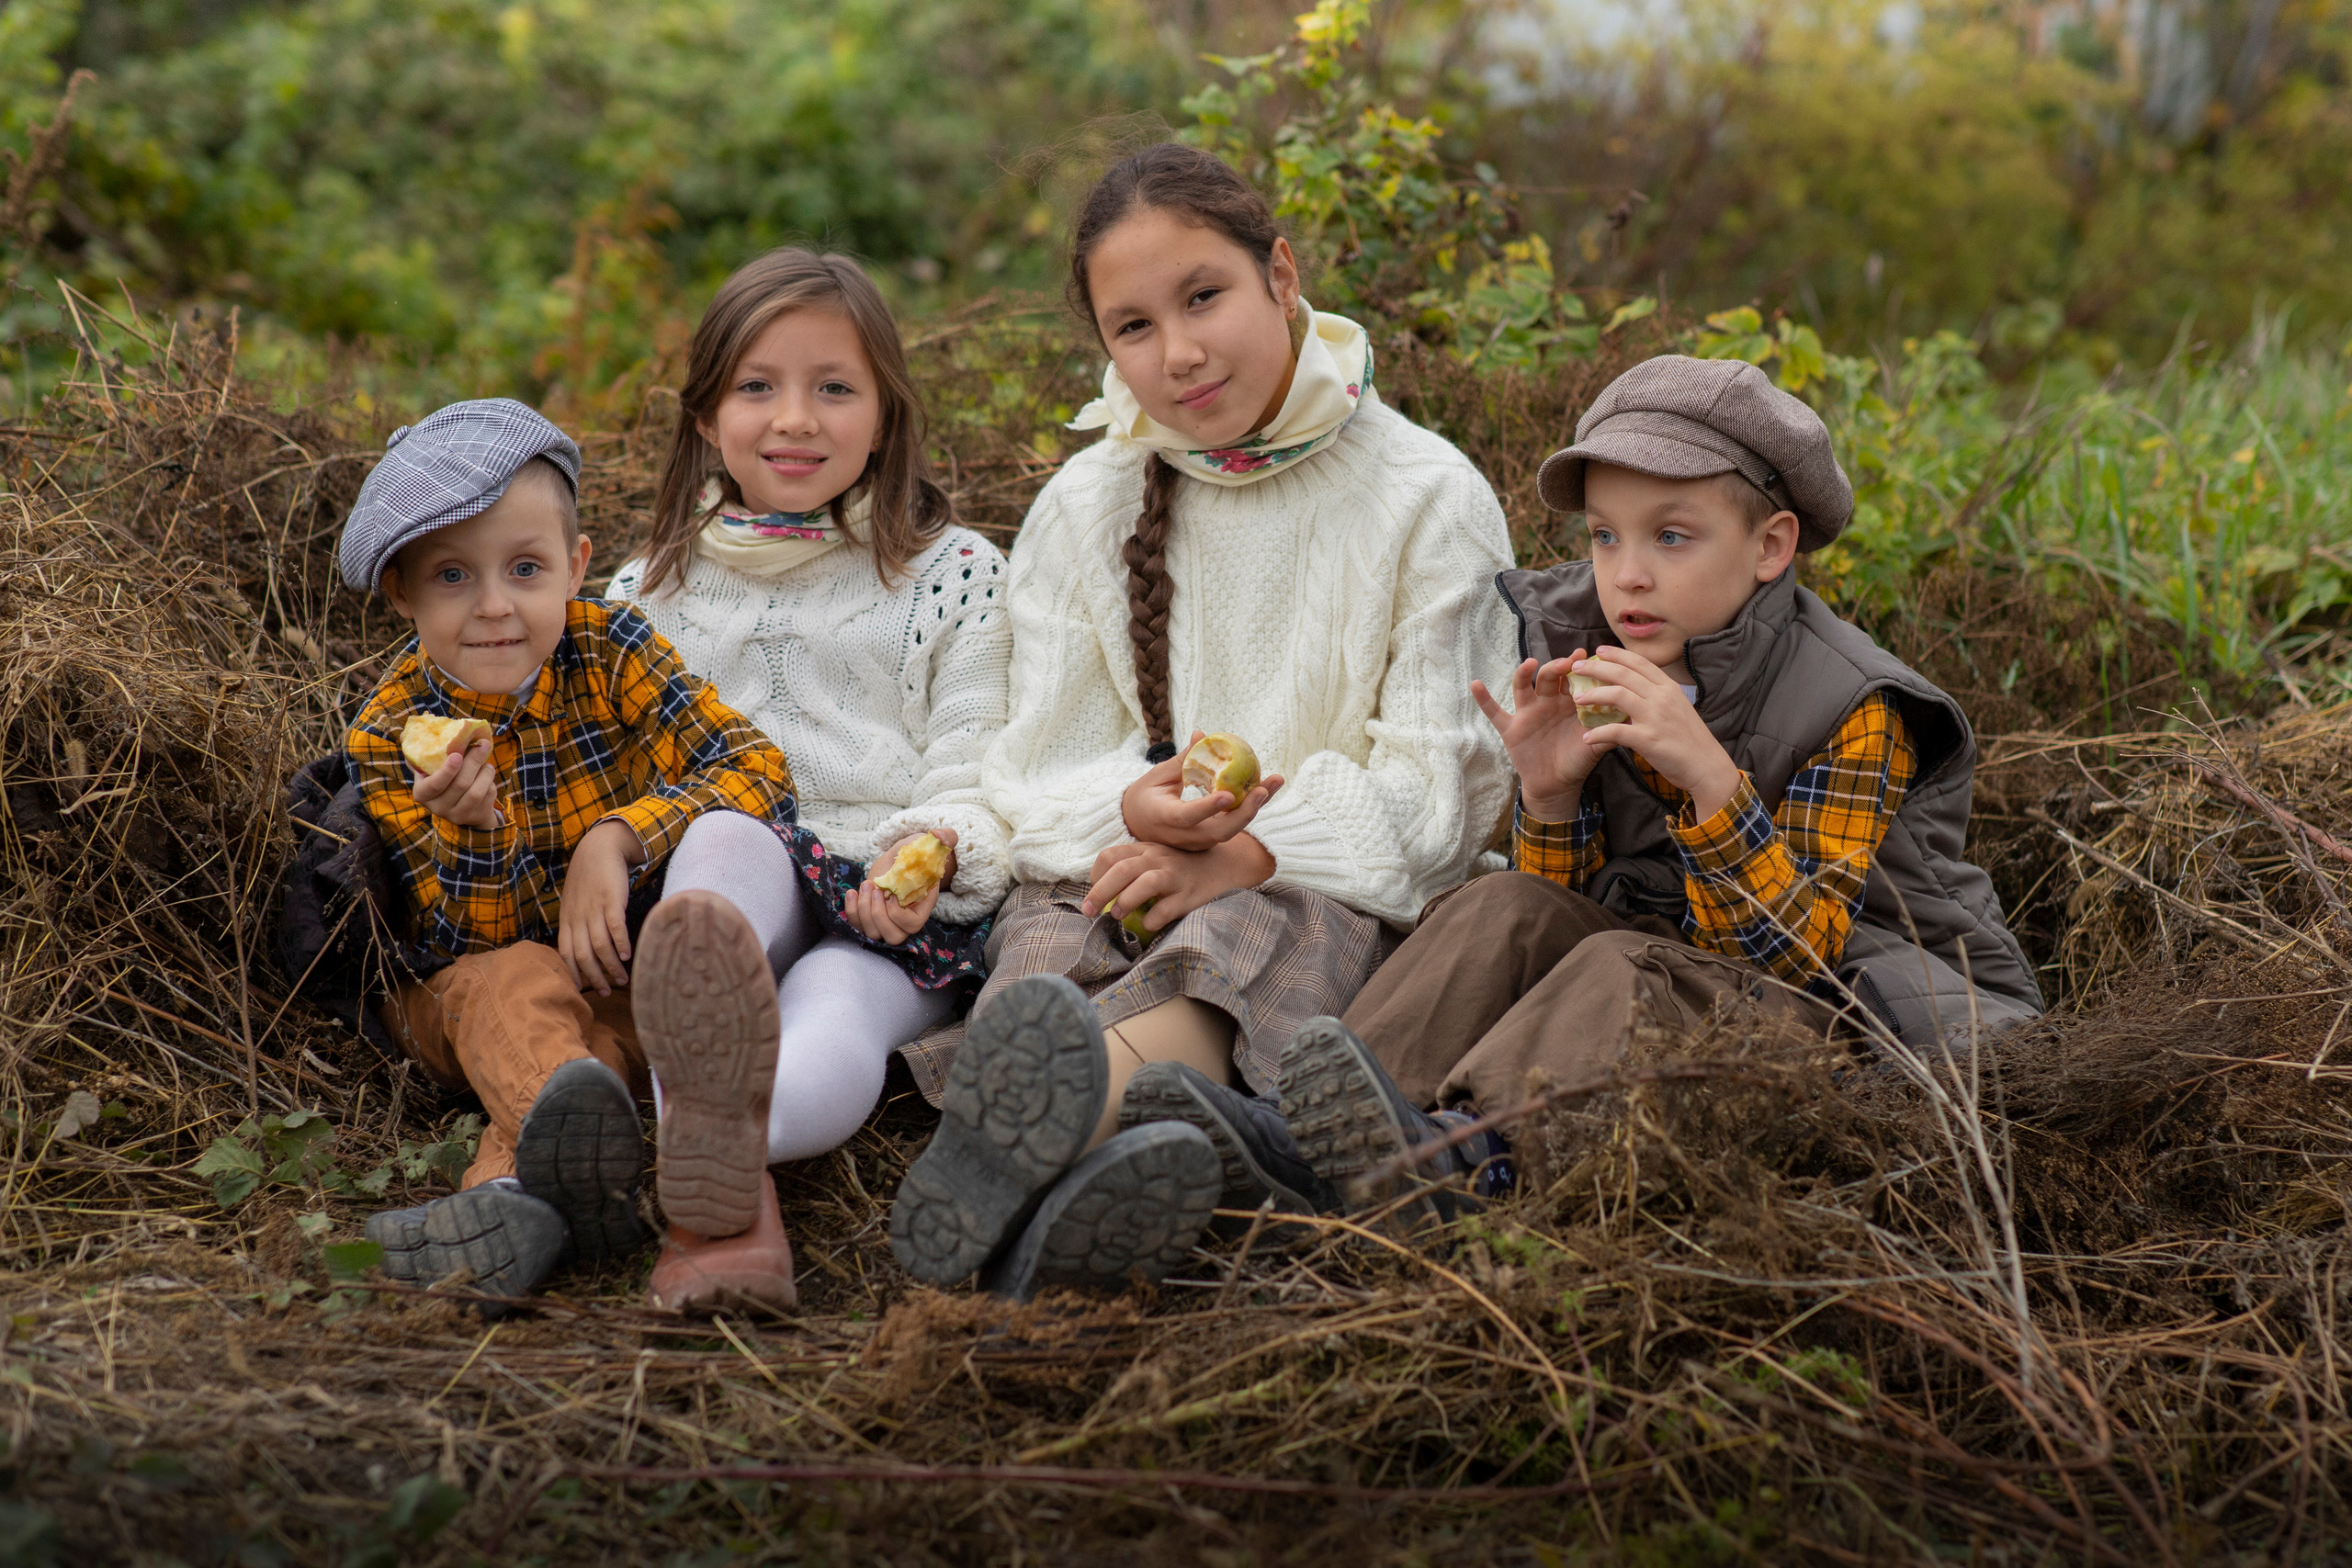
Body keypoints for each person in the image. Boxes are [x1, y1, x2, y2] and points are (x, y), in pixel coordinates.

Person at [884, 143, 1519, 1301]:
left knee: (1232, 943)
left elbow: (1446, 796)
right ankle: (1079, 1182)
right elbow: (1033, 765)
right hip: (1117, 856)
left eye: (1202, 298)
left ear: (1280, 273)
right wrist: (1129, 809)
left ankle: (1019, 1173)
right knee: (1047, 948)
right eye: (1131, 328)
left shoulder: (1428, 497)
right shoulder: (1087, 503)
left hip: (1327, 881)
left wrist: (1250, 850)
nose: (1175, 355)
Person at [1271, 354, 2046, 1219]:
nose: (1628, 573)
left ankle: (1469, 1163)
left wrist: (1712, 782)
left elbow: (1801, 960)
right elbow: (1554, 931)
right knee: (1500, 906)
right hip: (1681, 987)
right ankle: (1299, 1142)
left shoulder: (1856, 703)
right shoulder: (1601, 650)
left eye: (1670, 537)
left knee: (1623, 961)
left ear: (1770, 545)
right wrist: (1553, 795)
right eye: (1606, 535)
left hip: (1873, 1026)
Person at [607, 247, 1012, 1311]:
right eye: (757, 387)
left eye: (834, 388)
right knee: (722, 837)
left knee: (835, 1015)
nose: (794, 418)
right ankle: (702, 1066)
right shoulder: (646, 592)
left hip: (884, 900)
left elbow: (977, 755)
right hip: (735, 877)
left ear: (884, 415)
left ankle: (712, 1138)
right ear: (704, 417)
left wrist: (931, 856)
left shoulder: (952, 572)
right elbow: (627, 768)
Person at [336, 400, 797, 1310]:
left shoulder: (608, 645)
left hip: (604, 976)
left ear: (576, 567)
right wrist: (471, 826)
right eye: (454, 577)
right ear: (402, 593)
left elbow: (758, 768)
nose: (496, 606)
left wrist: (616, 835)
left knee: (622, 1027)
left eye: (525, 569)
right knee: (518, 981)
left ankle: (507, 1203)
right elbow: (468, 942)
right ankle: (580, 1155)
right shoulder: (392, 733)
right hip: (458, 994)